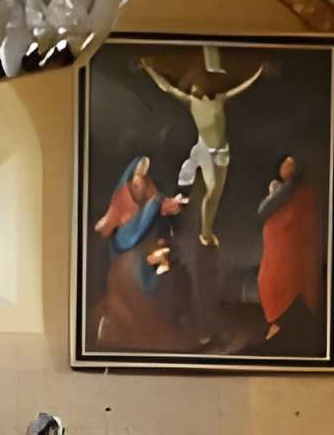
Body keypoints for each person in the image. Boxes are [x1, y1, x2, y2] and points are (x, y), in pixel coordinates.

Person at [138, 45, 268, 240]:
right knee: (212, 189)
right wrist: (149, 70)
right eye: (193, 83)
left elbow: (242, 88)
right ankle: (205, 232)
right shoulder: (191, 101)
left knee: (216, 196)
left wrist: (258, 73)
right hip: (206, 150)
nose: (196, 85)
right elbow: (167, 87)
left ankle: (207, 230)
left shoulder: (219, 99)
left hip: (223, 150)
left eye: (199, 82)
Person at [90, 154, 192, 353]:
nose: (142, 175)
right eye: (141, 167)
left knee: (167, 269)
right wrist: (154, 205)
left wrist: (172, 204)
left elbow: (157, 203)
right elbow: (122, 214)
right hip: (129, 241)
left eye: (145, 168)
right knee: (138, 274)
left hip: (149, 243)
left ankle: (172, 314)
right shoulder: (124, 192)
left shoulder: (146, 182)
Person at [254, 152, 322, 345]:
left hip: (291, 249)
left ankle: (283, 324)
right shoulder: (280, 189)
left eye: (291, 164)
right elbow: (264, 211)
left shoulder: (300, 191)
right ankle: (277, 321)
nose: (287, 167)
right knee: (266, 280)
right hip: (276, 246)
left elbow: (303, 219)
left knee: (286, 282)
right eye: (285, 163)